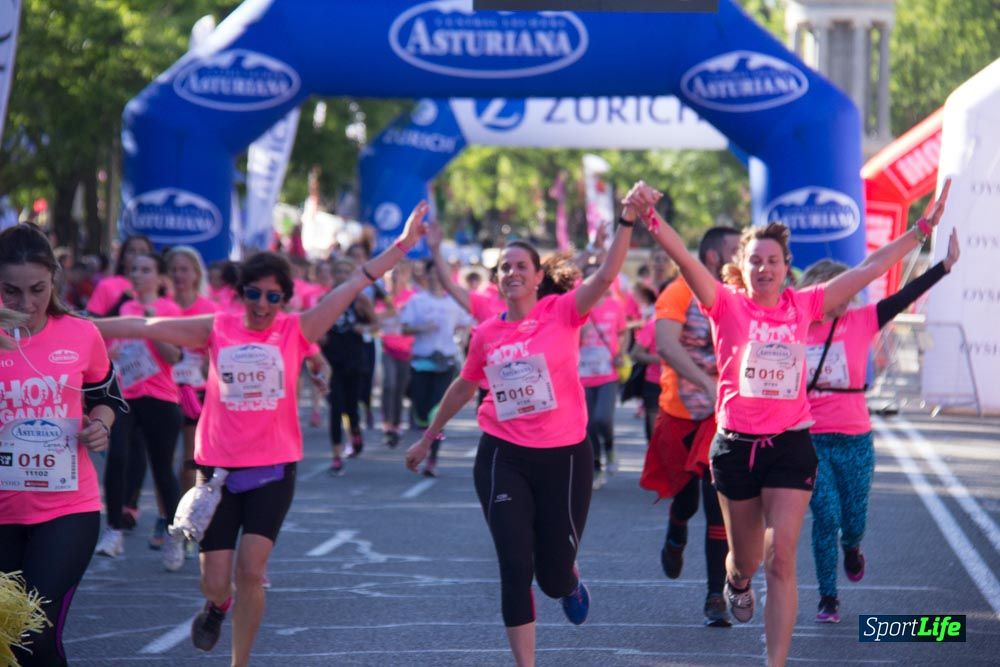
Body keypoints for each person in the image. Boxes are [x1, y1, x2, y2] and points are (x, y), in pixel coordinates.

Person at [628, 179, 951, 667]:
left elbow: (867, 270)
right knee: (748, 561)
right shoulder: (726, 304)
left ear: (785, 269)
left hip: (790, 444)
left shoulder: (805, 306)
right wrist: (650, 220)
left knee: (782, 560)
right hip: (736, 447)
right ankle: (736, 581)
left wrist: (920, 230)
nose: (764, 268)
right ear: (744, 266)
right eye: (755, 260)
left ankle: (774, 661)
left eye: (773, 261)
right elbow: (687, 262)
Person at [91, 203, 429, 667]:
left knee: (252, 572)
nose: (262, 305)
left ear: (285, 299)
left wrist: (404, 245)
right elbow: (139, 325)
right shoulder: (218, 328)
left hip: (272, 469)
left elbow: (354, 283)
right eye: (254, 293)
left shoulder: (297, 329)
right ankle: (217, 605)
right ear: (242, 292)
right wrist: (64, 324)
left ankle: (240, 661)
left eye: (273, 297)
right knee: (216, 580)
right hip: (217, 473)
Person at [404, 185, 645, 667]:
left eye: (521, 266)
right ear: (497, 282)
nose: (511, 272)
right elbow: (463, 386)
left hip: (565, 457)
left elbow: (608, 274)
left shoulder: (563, 312)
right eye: (504, 268)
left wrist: (626, 221)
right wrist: (428, 436)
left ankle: (569, 579)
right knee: (515, 567)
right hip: (503, 455)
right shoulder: (488, 332)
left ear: (537, 278)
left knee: (552, 577)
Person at [801, 228, 960, 624]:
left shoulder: (862, 320)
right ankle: (828, 597)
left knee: (853, 520)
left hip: (855, 438)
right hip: (810, 438)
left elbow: (904, 297)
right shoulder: (796, 325)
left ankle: (853, 547)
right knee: (825, 517)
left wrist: (944, 265)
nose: (841, 299)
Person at [0, 224, 120, 667]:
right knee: (6, 638)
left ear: (54, 280)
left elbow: (107, 396)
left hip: (68, 509)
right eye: (10, 291)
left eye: (37, 289)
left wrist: (99, 426)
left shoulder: (80, 333)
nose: (26, 305)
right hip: (2, 509)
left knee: (35, 631)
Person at [640, 225, 740, 627]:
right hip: (681, 413)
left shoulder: (739, 295)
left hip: (723, 418)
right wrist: (706, 382)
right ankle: (676, 531)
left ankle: (716, 595)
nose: (743, 255)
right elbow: (665, 345)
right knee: (685, 501)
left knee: (719, 506)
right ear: (714, 257)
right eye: (737, 249)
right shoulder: (679, 292)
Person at [95, 251, 186, 569]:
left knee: (163, 470)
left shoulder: (170, 310)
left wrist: (151, 324)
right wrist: (113, 350)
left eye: (145, 268)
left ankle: (174, 538)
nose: (138, 274)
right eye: (133, 269)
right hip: (125, 395)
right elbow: (105, 352)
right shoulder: (122, 309)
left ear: (160, 277)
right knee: (117, 457)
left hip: (160, 397)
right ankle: (114, 530)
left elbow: (174, 357)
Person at [400, 259, 473, 476]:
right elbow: (404, 329)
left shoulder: (453, 302)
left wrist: (464, 335)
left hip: (446, 362)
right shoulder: (417, 301)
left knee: (436, 413)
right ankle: (426, 441)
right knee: (421, 410)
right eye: (431, 273)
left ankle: (432, 458)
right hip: (421, 362)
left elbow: (467, 321)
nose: (435, 277)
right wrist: (422, 327)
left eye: (439, 274)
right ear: (427, 275)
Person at [321, 258, 376, 474]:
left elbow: (375, 323)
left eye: (346, 271)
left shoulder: (359, 300)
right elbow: (314, 327)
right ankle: (336, 454)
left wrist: (363, 327)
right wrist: (320, 337)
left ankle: (355, 434)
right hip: (332, 362)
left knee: (351, 408)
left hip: (355, 360)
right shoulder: (325, 299)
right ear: (333, 275)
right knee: (336, 408)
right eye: (339, 272)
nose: (342, 275)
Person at [578, 261, 627, 490]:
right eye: (587, 278)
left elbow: (623, 332)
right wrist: (580, 334)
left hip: (608, 373)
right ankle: (596, 467)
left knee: (602, 418)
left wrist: (621, 353)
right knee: (587, 425)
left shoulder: (614, 306)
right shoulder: (577, 307)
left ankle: (609, 446)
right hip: (582, 375)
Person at [84, 235, 153, 316]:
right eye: (131, 251)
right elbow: (92, 319)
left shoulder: (160, 287)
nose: (137, 255)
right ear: (122, 258)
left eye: (143, 251)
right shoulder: (106, 285)